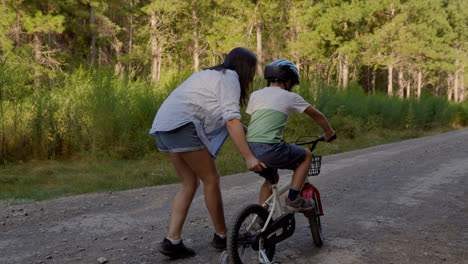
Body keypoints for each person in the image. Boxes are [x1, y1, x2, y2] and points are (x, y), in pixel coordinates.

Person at [149, 47, 266, 259]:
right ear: (244, 68)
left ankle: (172, 241)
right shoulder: (229, 77)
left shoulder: (208, 74)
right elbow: (231, 120)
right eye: (251, 71)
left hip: (164, 126)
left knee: (190, 183)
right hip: (183, 125)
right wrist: (249, 156)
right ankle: (222, 237)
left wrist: (252, 136)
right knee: (211, 179)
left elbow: (228, 121)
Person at [246, 59, 335, 212]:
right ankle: (293, 199)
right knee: (306, 155)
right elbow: (317, 116)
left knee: (271, 178)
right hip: (269, 148)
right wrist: (329, 133)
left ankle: (259, 218)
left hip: (249, 151)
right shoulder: (290, 97)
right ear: (288, 81)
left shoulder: (255, 95)